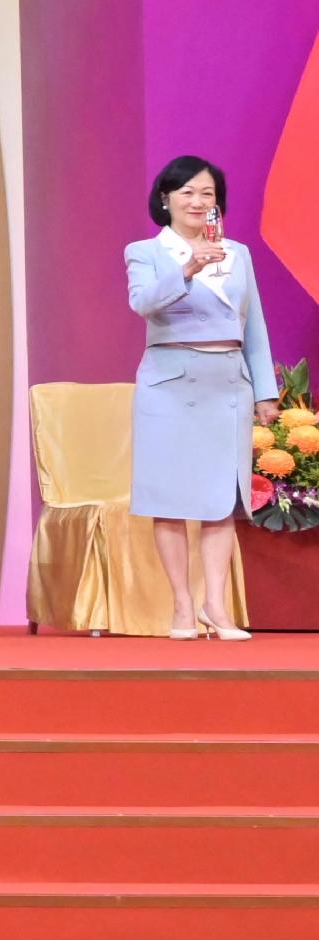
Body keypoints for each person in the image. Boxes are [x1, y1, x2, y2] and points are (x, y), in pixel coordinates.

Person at [126, 156, 271, 641]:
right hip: (170, 383)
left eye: (207, 193)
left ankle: (216, 604)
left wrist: (265, 391)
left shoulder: (238, 253)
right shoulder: (145, 252)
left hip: (226, 383)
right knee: (170, 499)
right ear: (165, 199)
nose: (197, 202)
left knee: (221, 501)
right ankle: (182, 607)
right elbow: (142, 303)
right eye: (186, 192)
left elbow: (253, 326)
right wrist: (188, 268)